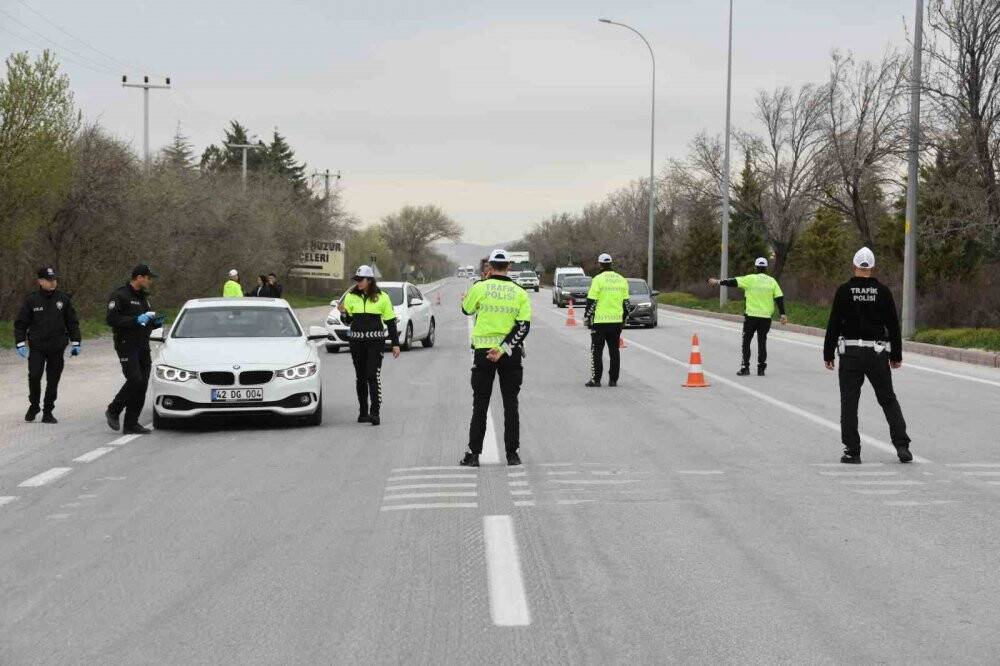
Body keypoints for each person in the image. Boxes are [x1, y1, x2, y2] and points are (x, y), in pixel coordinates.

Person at [823, 247, 912, 464]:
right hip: (877, 353)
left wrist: (828, 353)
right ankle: (902, 446)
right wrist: (896, 355)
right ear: (872, 267)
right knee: (888, 399)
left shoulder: (844, 291)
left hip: (851, 353)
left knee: (849, 403)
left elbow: (834, 323)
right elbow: (893, 325)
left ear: (854, 266)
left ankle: (853, 451)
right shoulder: (883, 292)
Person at [460, 249, 531, 467]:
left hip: (483, 352)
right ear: (509, 266)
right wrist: (503, 348)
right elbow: (523, 326)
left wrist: (466, 299)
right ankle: (512, 454)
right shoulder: (519, 292)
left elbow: (466, 309)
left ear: (490, 266)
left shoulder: (479, 287)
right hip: (509, 354)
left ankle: (473, 455)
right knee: (511, 404)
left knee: (480, 403)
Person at [14, 267, 82, 423]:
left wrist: (76, 342)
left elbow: (72, 322)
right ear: (40, 281)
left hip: (57, 347)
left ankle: (48, 411)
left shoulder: (63, 299)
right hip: (37, 346)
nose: (53, 283)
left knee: (53, 379)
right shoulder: (31, 300)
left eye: (54, 280)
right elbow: (21, 324)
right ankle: (34, 405)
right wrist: (20, 343)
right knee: (34, 375)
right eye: (49, 280)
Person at [338, 265, 401, 426]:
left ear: (370, 280)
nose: (358, 282)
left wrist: (395, 344)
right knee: (360, 377)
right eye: (356, 280)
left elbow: (390, 322)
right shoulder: (351, 296)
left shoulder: (383, 297)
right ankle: (363, 412)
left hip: (375, 343)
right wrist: (343, 313)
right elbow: (348, 321)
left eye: (361, 280)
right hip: (356, 343)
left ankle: (375, 412)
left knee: (372, 375)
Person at [105, 264, 163, 435]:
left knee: (142, 384)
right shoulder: (120, 295)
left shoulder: (145, 298)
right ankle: (113, 410)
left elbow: (146, 321)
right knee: (135, 379)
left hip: (142, 344)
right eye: (148, 278)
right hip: (126, 344)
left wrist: (154, 322)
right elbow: (112, 319)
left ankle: (131, 423)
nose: (150, 281)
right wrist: (135, 320)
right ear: (139, 277)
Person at [708, 257, 787, 376]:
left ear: (755, 267)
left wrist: (718, 281)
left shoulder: (750, 279)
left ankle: (745, 368)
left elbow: (732, 281)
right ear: (766, 268)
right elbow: (779, 298)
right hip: (766, 318)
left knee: (746, 342)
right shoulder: (772, 281)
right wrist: (782, 314)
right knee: (762, 342)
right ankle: (761, 369)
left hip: (751, 317)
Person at [584, 253, 631, 387]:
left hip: (600, 322)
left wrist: (587, 317)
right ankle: (613, 380)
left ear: (600, 264)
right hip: (616, 322)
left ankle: (596, 380)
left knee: (597, 351)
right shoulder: (621, 279)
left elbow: (592, 301)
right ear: (611, 263)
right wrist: (623, 319)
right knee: (614, 351)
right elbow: (626, 303)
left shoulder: (597, 279)